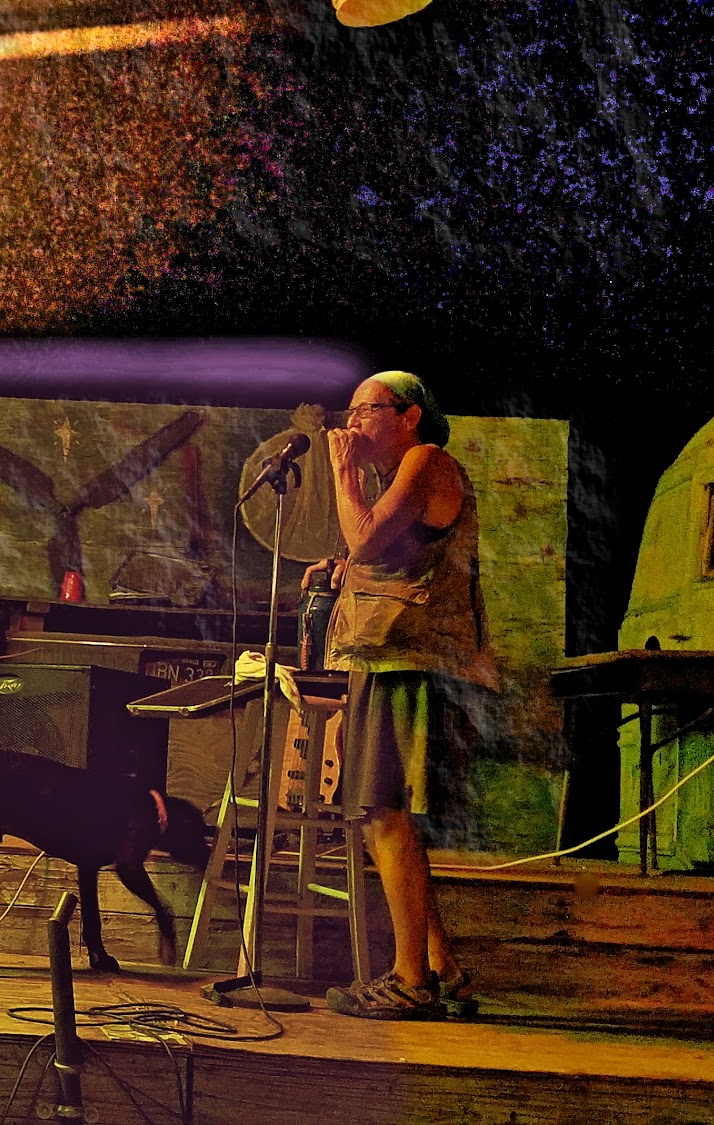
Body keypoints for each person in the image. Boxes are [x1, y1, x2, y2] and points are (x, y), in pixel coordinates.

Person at [311, 370, 496, 1020]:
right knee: (381, 816)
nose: (352, 423)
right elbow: (382, 552)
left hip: (407, 661)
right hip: (388, 658)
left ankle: (410, 979)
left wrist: (343, 472)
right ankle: (442, 966)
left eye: (366, 410)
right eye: (349, 411)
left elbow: (365, 536)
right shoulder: (403, 476)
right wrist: (343, 571)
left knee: (384, 812)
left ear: (409, 415)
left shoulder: (425, 461)